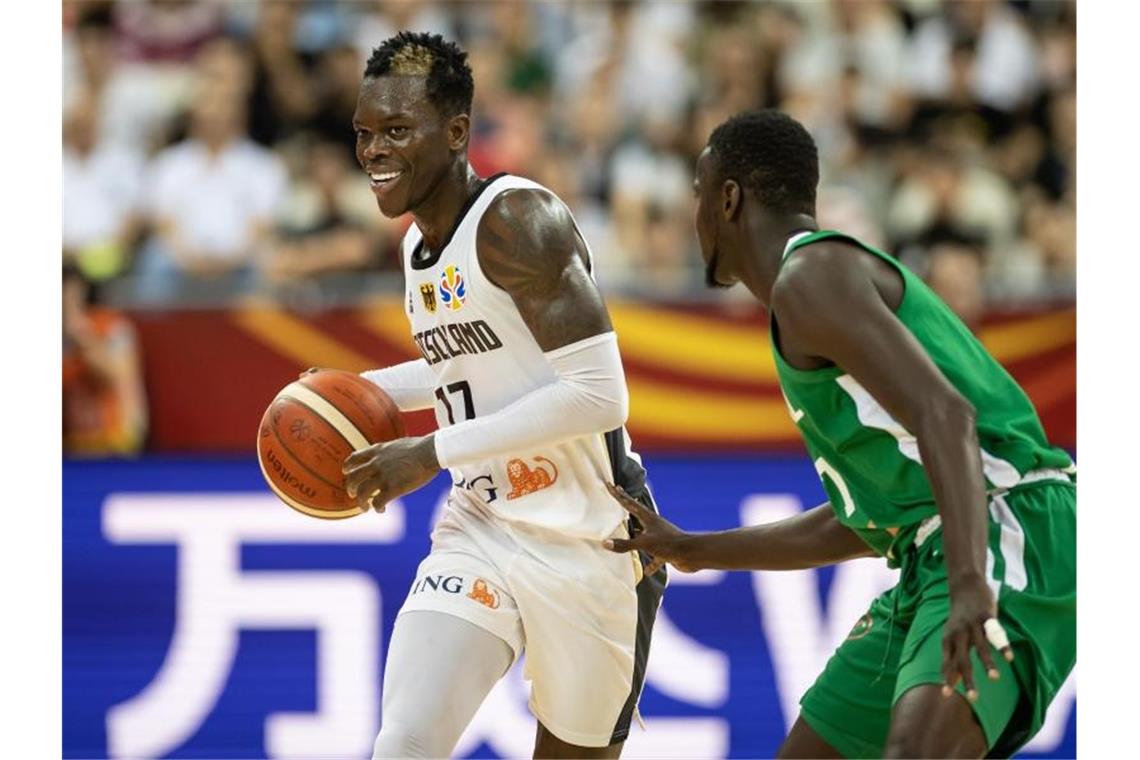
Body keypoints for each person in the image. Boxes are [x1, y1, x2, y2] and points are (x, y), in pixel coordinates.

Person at [604, 110, 1075, 758]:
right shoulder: (809, 295)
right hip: (930, 550)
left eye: (698, 194)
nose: (695, 217)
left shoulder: (812, 277)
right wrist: (697, 548)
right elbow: (862, 521)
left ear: (730, 198)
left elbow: (949, 416)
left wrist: (971, 584)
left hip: (1006, 525)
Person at [340, 32, 666, 759]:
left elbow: (598, 395)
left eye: (397, 131)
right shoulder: (415, 247)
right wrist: (352, 394)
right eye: (364, 133)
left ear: (457, 132)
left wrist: (430, 450)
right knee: (404, 744)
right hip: (483, 527)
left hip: (591, 541)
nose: (374, 152)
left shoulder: (519, 223)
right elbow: (475, 370)